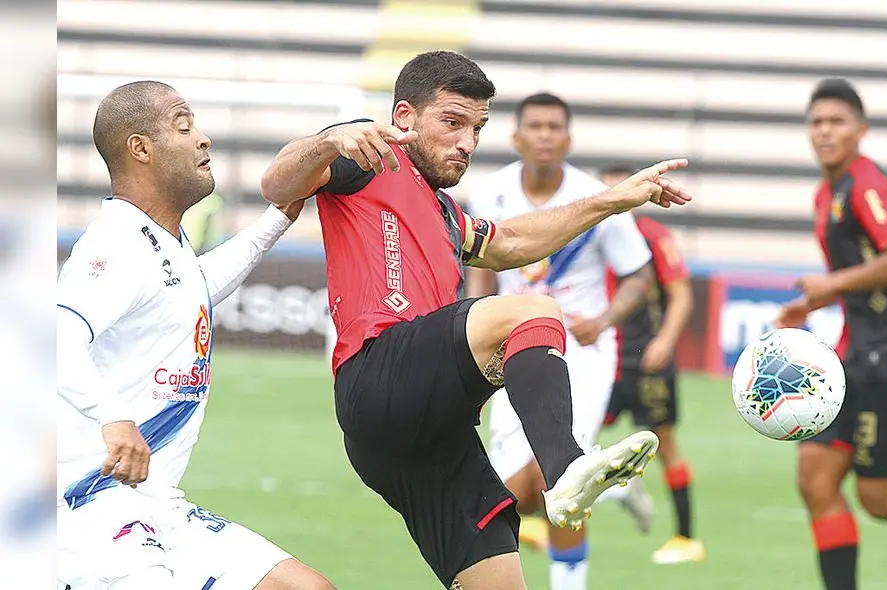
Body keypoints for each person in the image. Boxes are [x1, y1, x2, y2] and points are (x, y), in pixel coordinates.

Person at [260, 50, 692, 590]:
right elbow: (276, 184)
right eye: (453, 122)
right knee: (533, 310)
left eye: (477, 128)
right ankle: (565, 470)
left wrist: (610, 200)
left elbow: (511, 242)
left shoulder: (443, 212)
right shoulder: (366, 161)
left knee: (501, 581)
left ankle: (561, 478)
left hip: (425, 432)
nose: (466, 142)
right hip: (379, 376)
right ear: (403, 118)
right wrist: (328, 140)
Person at [56, 81, 336, 590]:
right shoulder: (115, 245)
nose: (203, 138)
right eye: (184, 127)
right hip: (90, 501)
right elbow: (56, 337)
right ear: (139, 148)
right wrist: (114, 419)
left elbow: (194, 288)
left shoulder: (161, 242)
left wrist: (277, 219)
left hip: (156, 501)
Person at [462, 93, 657, 590]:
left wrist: (605, 317)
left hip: (581, 352)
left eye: (555, 127)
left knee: (560, 481)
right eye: (536, 126)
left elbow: (639, 276)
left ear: (568, 139)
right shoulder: (490, 193)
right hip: (510, 347)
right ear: (517, 136)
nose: (545, 135)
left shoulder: (597, 198)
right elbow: (480, 275)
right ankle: (610, 488)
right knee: (517, 493)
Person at [775, 78, 887, 590]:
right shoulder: (828, 192)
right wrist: (813, 302)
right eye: (817, 122)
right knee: (815, 479)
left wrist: (830, 284)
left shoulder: (868, 185)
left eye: (837, 121)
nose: (825, 131)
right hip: (852, 361)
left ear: (860, 130)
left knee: (882, 498)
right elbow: (864, 274)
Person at [597, 165, 704, 565]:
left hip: (647, 359)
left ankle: (687, 538)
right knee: (572, 435)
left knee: (666, 444)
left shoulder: (655, 237)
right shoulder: (589, 233)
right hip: (602, 358)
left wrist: (665, 341)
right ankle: (616, 492)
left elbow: (680, 295)